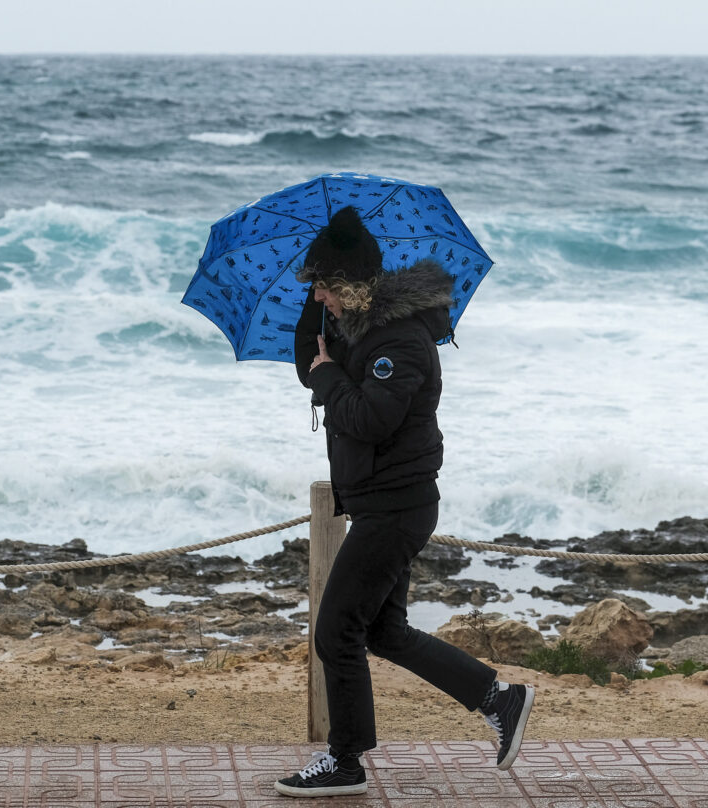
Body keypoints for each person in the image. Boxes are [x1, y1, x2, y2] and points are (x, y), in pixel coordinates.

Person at [275, 207, 534, 798]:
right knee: (383, 631)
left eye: (323, 286)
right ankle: (500, 699)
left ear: (351, 285)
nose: (318, 296)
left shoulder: (399, 339)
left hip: (396, 509)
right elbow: (309, 368)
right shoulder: (356, 326)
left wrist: (329, 376)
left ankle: (345, 762)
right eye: (316, 288)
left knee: (337, 629)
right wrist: (316, 312)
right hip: (381, 504)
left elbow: (371, 417)